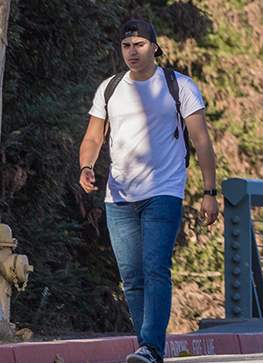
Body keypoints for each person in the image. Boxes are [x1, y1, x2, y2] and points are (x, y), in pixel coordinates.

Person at [78, 19, 220, 363]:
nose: (133, 52)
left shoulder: (179, 85)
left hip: (164, 190)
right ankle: (145, 344)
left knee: (156, 267)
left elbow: (201, 140)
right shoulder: (110, 88)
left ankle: (151, 346)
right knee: (131, 275)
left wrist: (210, 191)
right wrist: (85, 165)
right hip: (120, 196)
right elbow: (95, 136)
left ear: (154, 47)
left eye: (139, 45)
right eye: (127, 46)